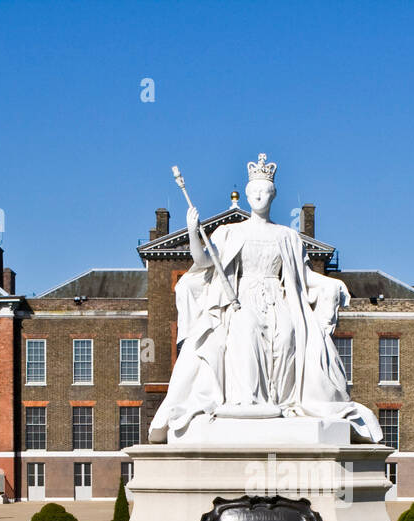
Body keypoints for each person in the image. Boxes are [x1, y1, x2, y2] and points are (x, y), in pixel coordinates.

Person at [149, 153, 381, 443]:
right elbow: (203, 261)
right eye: (254, 192)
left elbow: (304, 277)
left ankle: (278, 403)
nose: (259, 196)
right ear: (247, 196)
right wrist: (194, 232)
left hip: (277, 298)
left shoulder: (287, 236)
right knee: (244, 334)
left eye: (265, 192)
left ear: (273, 196)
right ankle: (248, 402)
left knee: (287, 337)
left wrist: (333, 285)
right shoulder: (229, 232)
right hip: (241, 298)